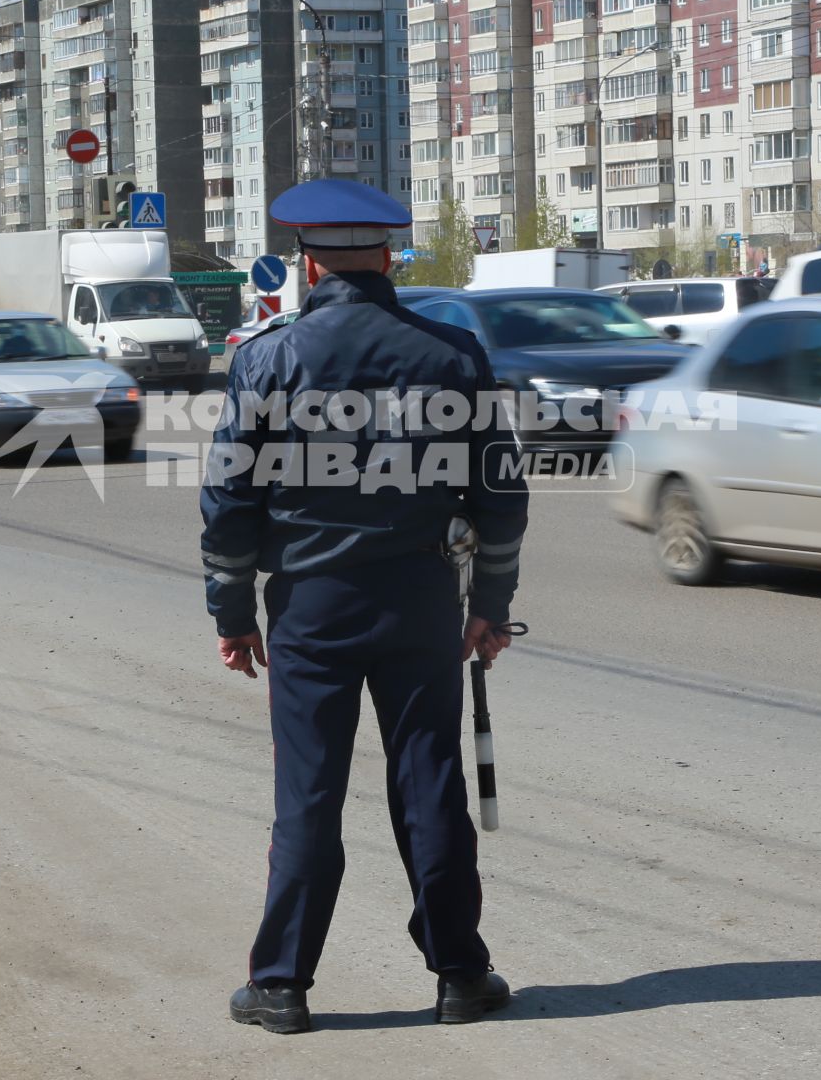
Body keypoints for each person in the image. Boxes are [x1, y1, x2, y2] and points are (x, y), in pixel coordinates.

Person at [201, 179, 529, 1034]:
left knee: (307, 793)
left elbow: (229, 503)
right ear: (388, 256)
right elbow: (501, 495)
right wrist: (490, 603)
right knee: (430, 784)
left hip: (311, 608)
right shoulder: (452, 355)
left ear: (307, 263)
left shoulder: (267, 357)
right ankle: (460, 973)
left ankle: (281, 986)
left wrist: (232, 614)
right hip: (422, 599)